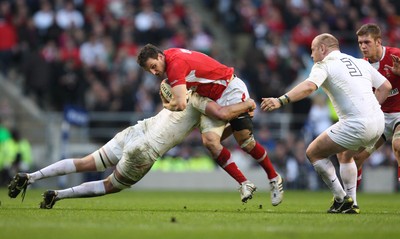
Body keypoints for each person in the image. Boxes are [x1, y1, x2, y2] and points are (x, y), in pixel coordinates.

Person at [8, 92, 256, 209]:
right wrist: (245, 107)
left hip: (135, 130)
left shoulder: (184, 90)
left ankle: (31, 177)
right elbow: (220, 123)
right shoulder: (204, 104)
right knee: (109, 185)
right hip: (146, 149)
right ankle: (58, 195)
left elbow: (169, 98)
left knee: (85, 162)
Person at [137, 44, 284, 206]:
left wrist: (166, 104)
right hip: (211, 97)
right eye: (149, 70)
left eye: (153, 67)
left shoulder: (175, 65)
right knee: (210, 143)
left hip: (230, 89)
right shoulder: (170, 55)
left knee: (246, 143)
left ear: (159, 57)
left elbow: (180, 105)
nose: (154, 72)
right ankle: (244, 183)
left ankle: (273, 177)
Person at [260, 33, 392, 214]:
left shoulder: (324, 64)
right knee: (345, 156)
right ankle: (352, 203)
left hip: (357, 124)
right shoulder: (360, 62)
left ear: (323, 49)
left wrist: (280, 100)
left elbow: (309, 87)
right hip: (378, 122)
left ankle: (340, 198)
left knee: (313, 153)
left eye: (313, 50)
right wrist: (372, 110)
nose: (312, 55)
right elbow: (386, 86)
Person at [344, 23, 400, 189]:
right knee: (355, 156)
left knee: (398, 145)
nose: (362, 46)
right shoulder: (361, 66)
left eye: (366, 42)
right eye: (360, 43)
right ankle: (351, 201)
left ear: (378, 42)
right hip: (379, 118)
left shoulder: (396, 55)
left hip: (399, 113)